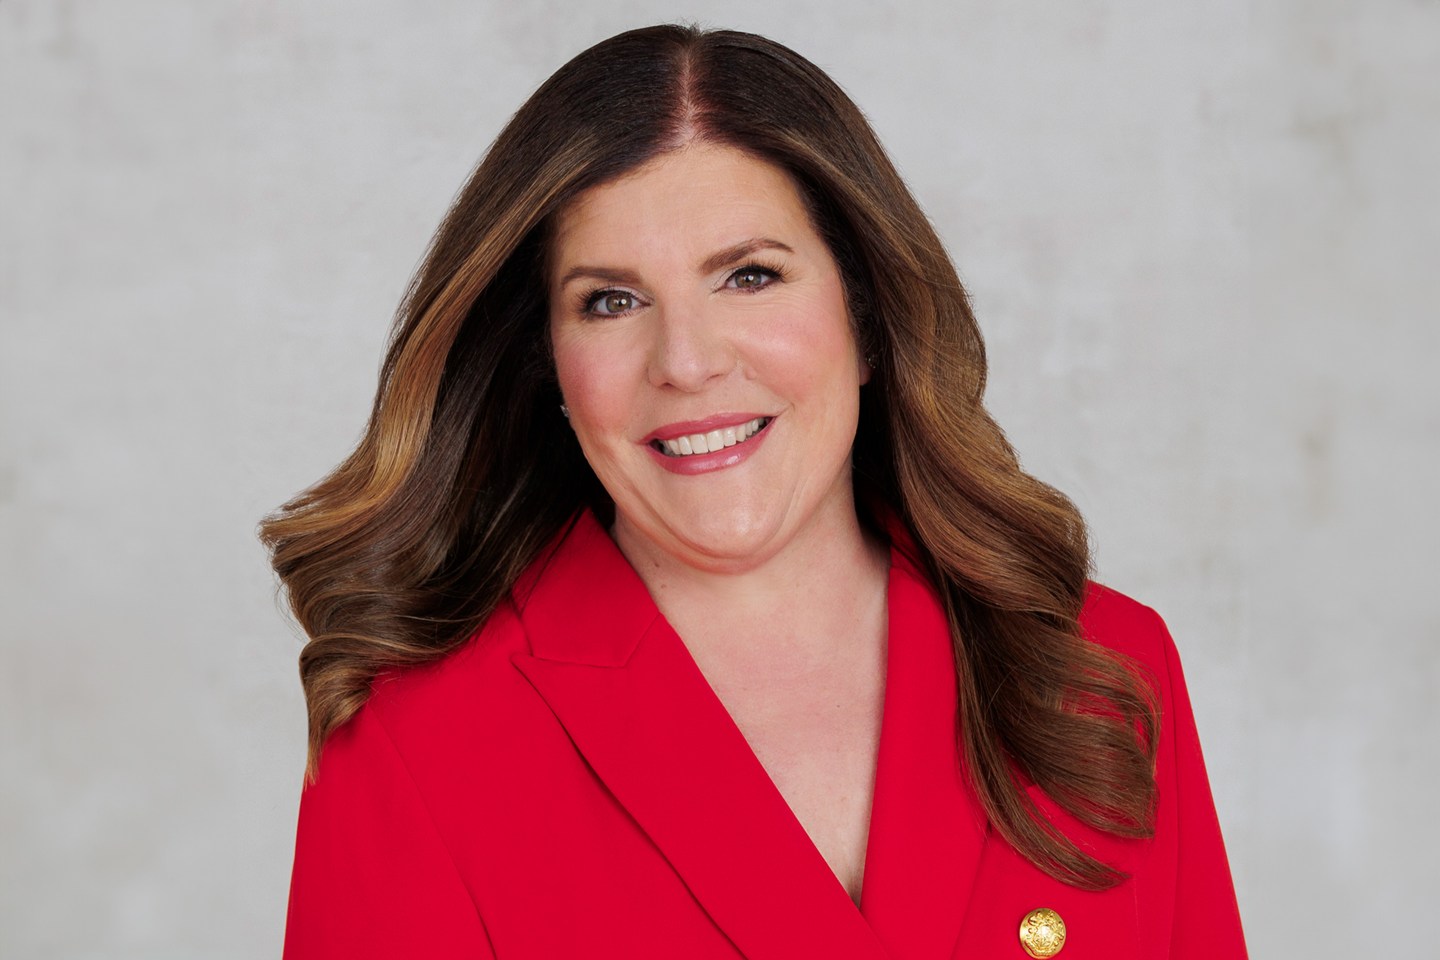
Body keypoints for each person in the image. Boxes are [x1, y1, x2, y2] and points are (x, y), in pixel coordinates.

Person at [263, 24, 1247, 960]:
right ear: (549, 364)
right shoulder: (420, 747)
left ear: (866, 315)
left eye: (749, 277)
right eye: (612, 301)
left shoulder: (1099, 673)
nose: (686, 361)